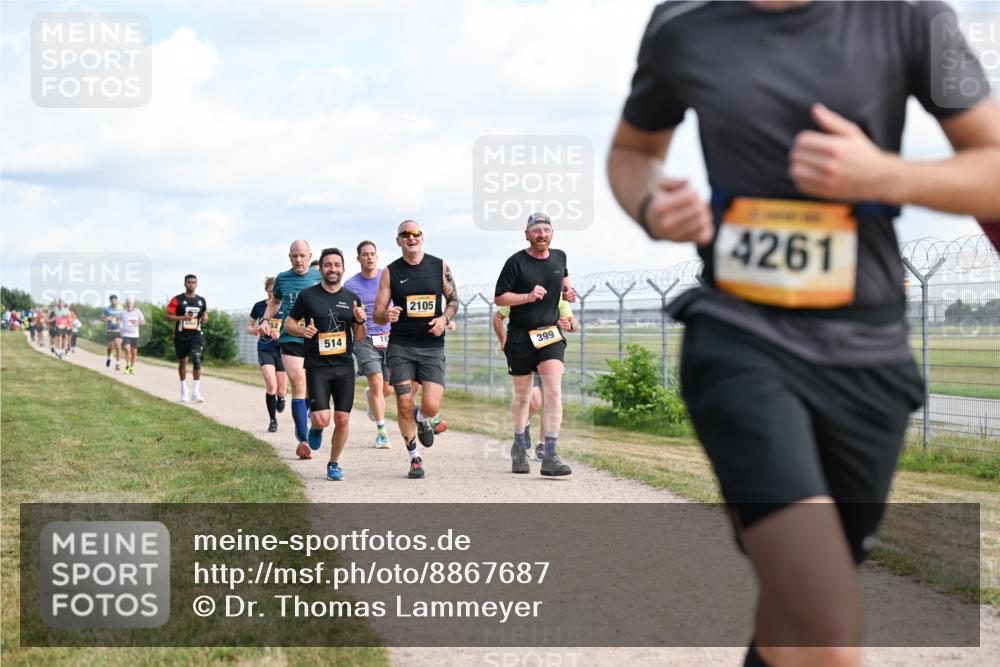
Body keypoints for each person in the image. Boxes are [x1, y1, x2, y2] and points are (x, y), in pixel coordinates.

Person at [607, 3, 1000, 665]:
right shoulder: (683, 22)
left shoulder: (909, 16)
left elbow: (992, 162)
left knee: (793, 620)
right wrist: (650, 203)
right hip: (740, 341)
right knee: (826, 630)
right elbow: (632, 152)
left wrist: (884, 175)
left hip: (867, 354)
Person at [374, 220, 458, 479]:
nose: (411, 238)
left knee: (431, 405)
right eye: (405, 234)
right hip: (401, 347)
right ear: (398, 240)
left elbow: (453, 299)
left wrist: (444, 319)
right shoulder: (390, 272)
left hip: (432, 347)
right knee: (403, 402)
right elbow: (377, 314)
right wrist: (387, 315)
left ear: (422, 237)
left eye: (416, 233)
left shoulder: (439, 266)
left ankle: (423, 419)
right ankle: (414, 458)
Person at [494, 212, 576, 476]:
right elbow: (500, 299)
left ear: (552, 233)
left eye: (546, 230)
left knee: (553, 392)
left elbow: (564, 281)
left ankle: (550, 454)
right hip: (520, 336)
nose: (542, 235)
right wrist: (528, 297)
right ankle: (519, 444)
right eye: (537, 230)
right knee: (523, 397)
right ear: (527, 234)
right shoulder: (516, 262)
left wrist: (569, 291)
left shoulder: (560, 256)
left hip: (550, 334)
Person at [285, 248, 367, 480]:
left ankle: (333, 463)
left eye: (336, 264)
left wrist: (360, 321)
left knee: (342, 418)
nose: (332, 269)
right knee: (322, 418)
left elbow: (359, 336)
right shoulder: (308, 296)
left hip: (343, 367)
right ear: (320, 269)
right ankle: (316, 427)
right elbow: (289, 324)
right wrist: (303, 330)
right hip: (317, 366)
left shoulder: (352, 299)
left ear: (343, 268)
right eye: (328, 265)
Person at [493, 294, 579, 462]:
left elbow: (574, 323)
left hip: (548, 347)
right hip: (522, 346)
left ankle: (544, 446)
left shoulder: (556, 292)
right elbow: (498, 318)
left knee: (551, 396)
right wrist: (503, 340)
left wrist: (570, 325)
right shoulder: (520, 295)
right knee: (533, 401)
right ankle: (522, 427)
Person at [258, 241, 322, 458]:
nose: (299, 260)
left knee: (315, 387)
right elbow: (275, 302)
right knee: (299, 384)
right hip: (291, 338)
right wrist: (266, 319)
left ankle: (308, 421)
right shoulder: (283, 278)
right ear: (289, 257)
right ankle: (303, 441)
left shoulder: (319, 277)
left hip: (316, 339)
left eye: (303, 256)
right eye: (294, 256)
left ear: (310, 256)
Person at [345, 240, 396, 449]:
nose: (369, 257)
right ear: (358, 258)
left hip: (389, 337)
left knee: (388, 389)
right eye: (365, 254)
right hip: (365, 338)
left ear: (377, 256)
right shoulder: (350, 285)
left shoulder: (388, 277)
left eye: (372, 253)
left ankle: (371, 400)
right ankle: (382, 432)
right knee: (376, 382)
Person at [248, 277, 289, 433]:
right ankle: (273, 421)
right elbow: (248, 326)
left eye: (276, 291)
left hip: (283, 350)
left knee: (281, 389)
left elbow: (294, 325)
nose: (274, 294)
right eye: (271, 291)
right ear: (267, 290)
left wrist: (281, 332)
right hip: (265, 349)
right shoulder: (259, 307)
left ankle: (282, 397)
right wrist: (256, 330)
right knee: (271, 384)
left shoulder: (287, 307)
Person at [165, 275, 208, 402]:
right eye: (189, 282)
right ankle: (184, 390)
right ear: (184, 284)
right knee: (183, 361)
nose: (191, 284)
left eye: (193, 282)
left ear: (197, 284)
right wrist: (182, 318)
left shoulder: (201, 300)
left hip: (196, 335)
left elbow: (204, 314)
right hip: (181, 335)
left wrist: (205, 317)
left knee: (197, 358)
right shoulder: (177, 300)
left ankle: (196, 392)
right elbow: (168, 317)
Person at [120, 296, 145, 375]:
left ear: (133, 304)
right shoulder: (122, 312)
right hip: (126, 334)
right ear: (125, 304)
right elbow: (118, 321)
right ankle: (127, 366)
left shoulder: (137, 311)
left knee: (134, 352)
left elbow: (143, 321)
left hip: (135, 335)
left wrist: (138, 323)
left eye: (130, 303)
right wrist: (120, 329)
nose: (129, 304)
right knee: (127, 349)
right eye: (127, 303)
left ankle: (132, 367)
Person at [102, 295, 123, 369]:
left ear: (117, 301)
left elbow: (123, 317)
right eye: (112, 301)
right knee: (110, 347)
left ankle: (118, 363)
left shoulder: (121, 308)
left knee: (118, 346)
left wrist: (119, 321)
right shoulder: (107, 309)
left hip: (118, 330)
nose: (114, 302)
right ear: (110, 301)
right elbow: (102, 318)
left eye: (115, 300)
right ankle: (109, 357)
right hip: (110, 330)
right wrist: (108, 318)